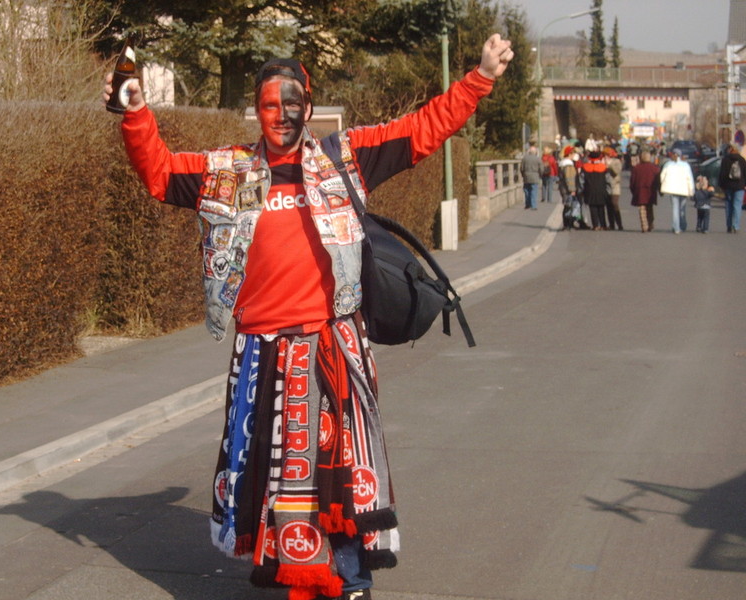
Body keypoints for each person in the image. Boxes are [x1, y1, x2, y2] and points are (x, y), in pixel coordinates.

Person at [104, 34, 514, 600]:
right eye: (269, 105)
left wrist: (480, 77)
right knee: (273, 474)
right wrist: (134, 113)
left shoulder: (344, 160)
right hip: (262, 352)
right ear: (256, 110)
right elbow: (160, 172)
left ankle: (349, 578)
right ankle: (293, 566)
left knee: (337, 471)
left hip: (331, 346)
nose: (281, 115)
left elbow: (421, 130)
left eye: (291, 103)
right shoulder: (228, 172)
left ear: (309, 107)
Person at [660, 149, 694, 234]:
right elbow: (689, 179)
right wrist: (691, 190)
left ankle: (676, 227)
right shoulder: (686, 165)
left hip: (672, 189)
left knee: (675, 208)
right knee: (682, 208)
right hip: (683, 190)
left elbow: (662, 176)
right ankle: (683, 225)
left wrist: (663, 185)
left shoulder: (668, 164)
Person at [717, 143, 746, 233]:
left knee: (728, 205)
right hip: (740, 186)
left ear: (730, 149)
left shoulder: (725, 159)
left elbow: (722, 174)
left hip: (728, 186)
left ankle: (729, 225)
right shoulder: (742, 160)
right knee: (737, 205)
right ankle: (736, 226)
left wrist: (721, 185)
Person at [629, 149, 661, 232]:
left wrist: (633, 190)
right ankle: (650, 223)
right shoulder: (655, 168)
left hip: (640, 191)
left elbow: (632, 181)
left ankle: (644, 225)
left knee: (642, 208)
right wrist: (659, 190)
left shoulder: (636, 168)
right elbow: (658, 181)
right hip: (651, 191)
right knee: (650, 207)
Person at [578, 150, 608, 230]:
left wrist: (581, 190)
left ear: (589, 158)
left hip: (589, 190)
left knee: (592, 207)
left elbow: (581, 180)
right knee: (601, 207)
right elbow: (607, 179)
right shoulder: (603, 167)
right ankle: (603, 225)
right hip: (601, 189)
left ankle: (595, 225)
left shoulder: (585, 167)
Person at [604, 145, 623, 230]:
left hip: (615, 186)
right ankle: (611, 224)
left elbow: (617, 171)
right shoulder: (603, 162)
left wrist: (609, 165)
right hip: (606, 186)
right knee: (608, 206)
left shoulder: (616, 161)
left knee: (614, 204)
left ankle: (619, 224)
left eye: (606, 154)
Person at [521, 143, 541, 210]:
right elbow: (541, 168)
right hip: (535, 176)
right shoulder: (537, 159)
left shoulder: (524, 158)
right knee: (534, 190)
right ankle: (533, 205)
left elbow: (521, 168)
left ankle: (527, 204)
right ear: (535, 152)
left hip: (526, 176)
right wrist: (540, 175)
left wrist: (523, 175)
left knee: (526, 190)